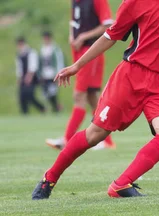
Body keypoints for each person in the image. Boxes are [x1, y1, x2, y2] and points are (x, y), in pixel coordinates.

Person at [31, 0, 159, 199]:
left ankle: (121, 184)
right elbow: (109, 36)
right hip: (131, 77)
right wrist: (77, 66)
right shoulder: (134, 2)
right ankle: (49, 178)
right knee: (95, 135)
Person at [45, 0, 116, 150]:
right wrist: (72, 36)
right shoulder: (75, 2)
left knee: (79, 96)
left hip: (91, 52)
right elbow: (74, 22)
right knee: (92, 98)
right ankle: (108, 142)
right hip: (79, 52)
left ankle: (66, 139)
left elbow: (107, 25)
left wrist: (83, 37)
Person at [15, 36, 46, 115]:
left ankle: (42, 108)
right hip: (23, 78)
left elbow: (33, 66)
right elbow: (19, 67)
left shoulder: (31, 52)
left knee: (30, 95)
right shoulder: (19, 54)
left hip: (32, 78)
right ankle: (24, 113)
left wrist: (29, 77)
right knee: (22, 97)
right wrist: (19, 78)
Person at [39, 31, 64, 113]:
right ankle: (56, 107)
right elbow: (41, 63)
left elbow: (59, 61)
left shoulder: (55, 49)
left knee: (53, 93)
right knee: (46, 94)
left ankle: (56, 108)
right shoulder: (42, 49)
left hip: (53, 75)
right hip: (45, 75)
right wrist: (40, 74)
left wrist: (59, 73)